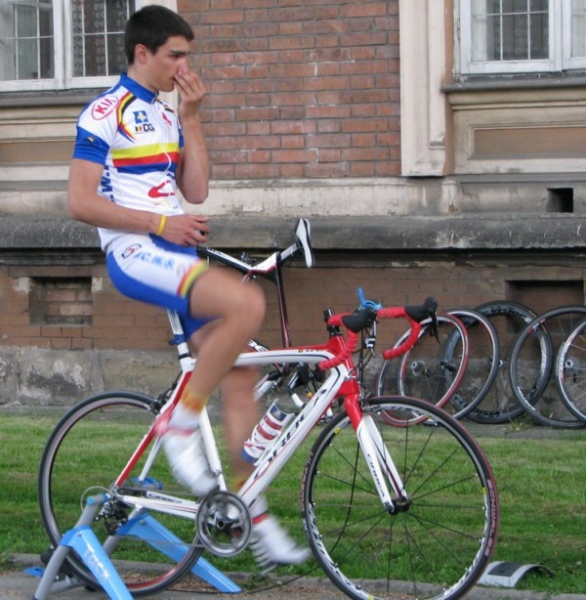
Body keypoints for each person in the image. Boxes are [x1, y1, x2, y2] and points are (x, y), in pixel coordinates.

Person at [67, 4, 310, 571]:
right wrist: (161, 223)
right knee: (246, 302)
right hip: (135, 253)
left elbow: (195, 191)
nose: (185, 66)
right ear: (142, 53)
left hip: (175, 253)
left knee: (242, 375)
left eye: (187, 56)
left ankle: (250, 511)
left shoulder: (165, 113)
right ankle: (179, 424)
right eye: (175, 55)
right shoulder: (105, 112)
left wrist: (193, 118)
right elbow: (79, 202)